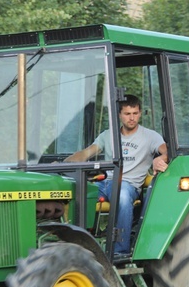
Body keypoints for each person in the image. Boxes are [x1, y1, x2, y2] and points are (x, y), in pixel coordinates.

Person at [66, 95, 168, 257]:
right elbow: (87, 153)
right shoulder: (108, 135)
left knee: (122, 197)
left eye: (135, 113)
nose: (132, 118)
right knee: (79, 193)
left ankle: (120, 251)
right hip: (104, 183)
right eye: (127, 114)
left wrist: (159, 159)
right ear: (119, 115)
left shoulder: (150, 136)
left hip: (128, 185)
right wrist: (64, 163)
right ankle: (77, 246)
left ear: (140, 113)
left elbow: (167, 152)